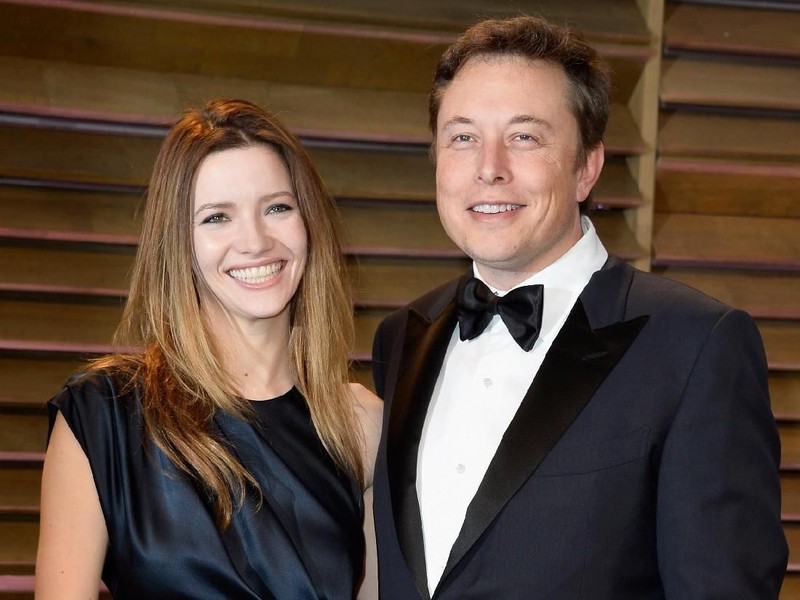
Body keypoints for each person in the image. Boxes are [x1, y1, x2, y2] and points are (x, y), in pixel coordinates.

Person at [371, 15, 787, 599]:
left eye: (524, 136)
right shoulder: (401, 338)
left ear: (587, 167)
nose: (489, 167)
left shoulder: (697, 346)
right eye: (462, 136)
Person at [35, 98, 382, 599]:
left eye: (278, 207)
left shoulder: (360, 424)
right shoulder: (103, 414)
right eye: (217, 217)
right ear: (178, 243)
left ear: (310, 225)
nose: (255, 241)